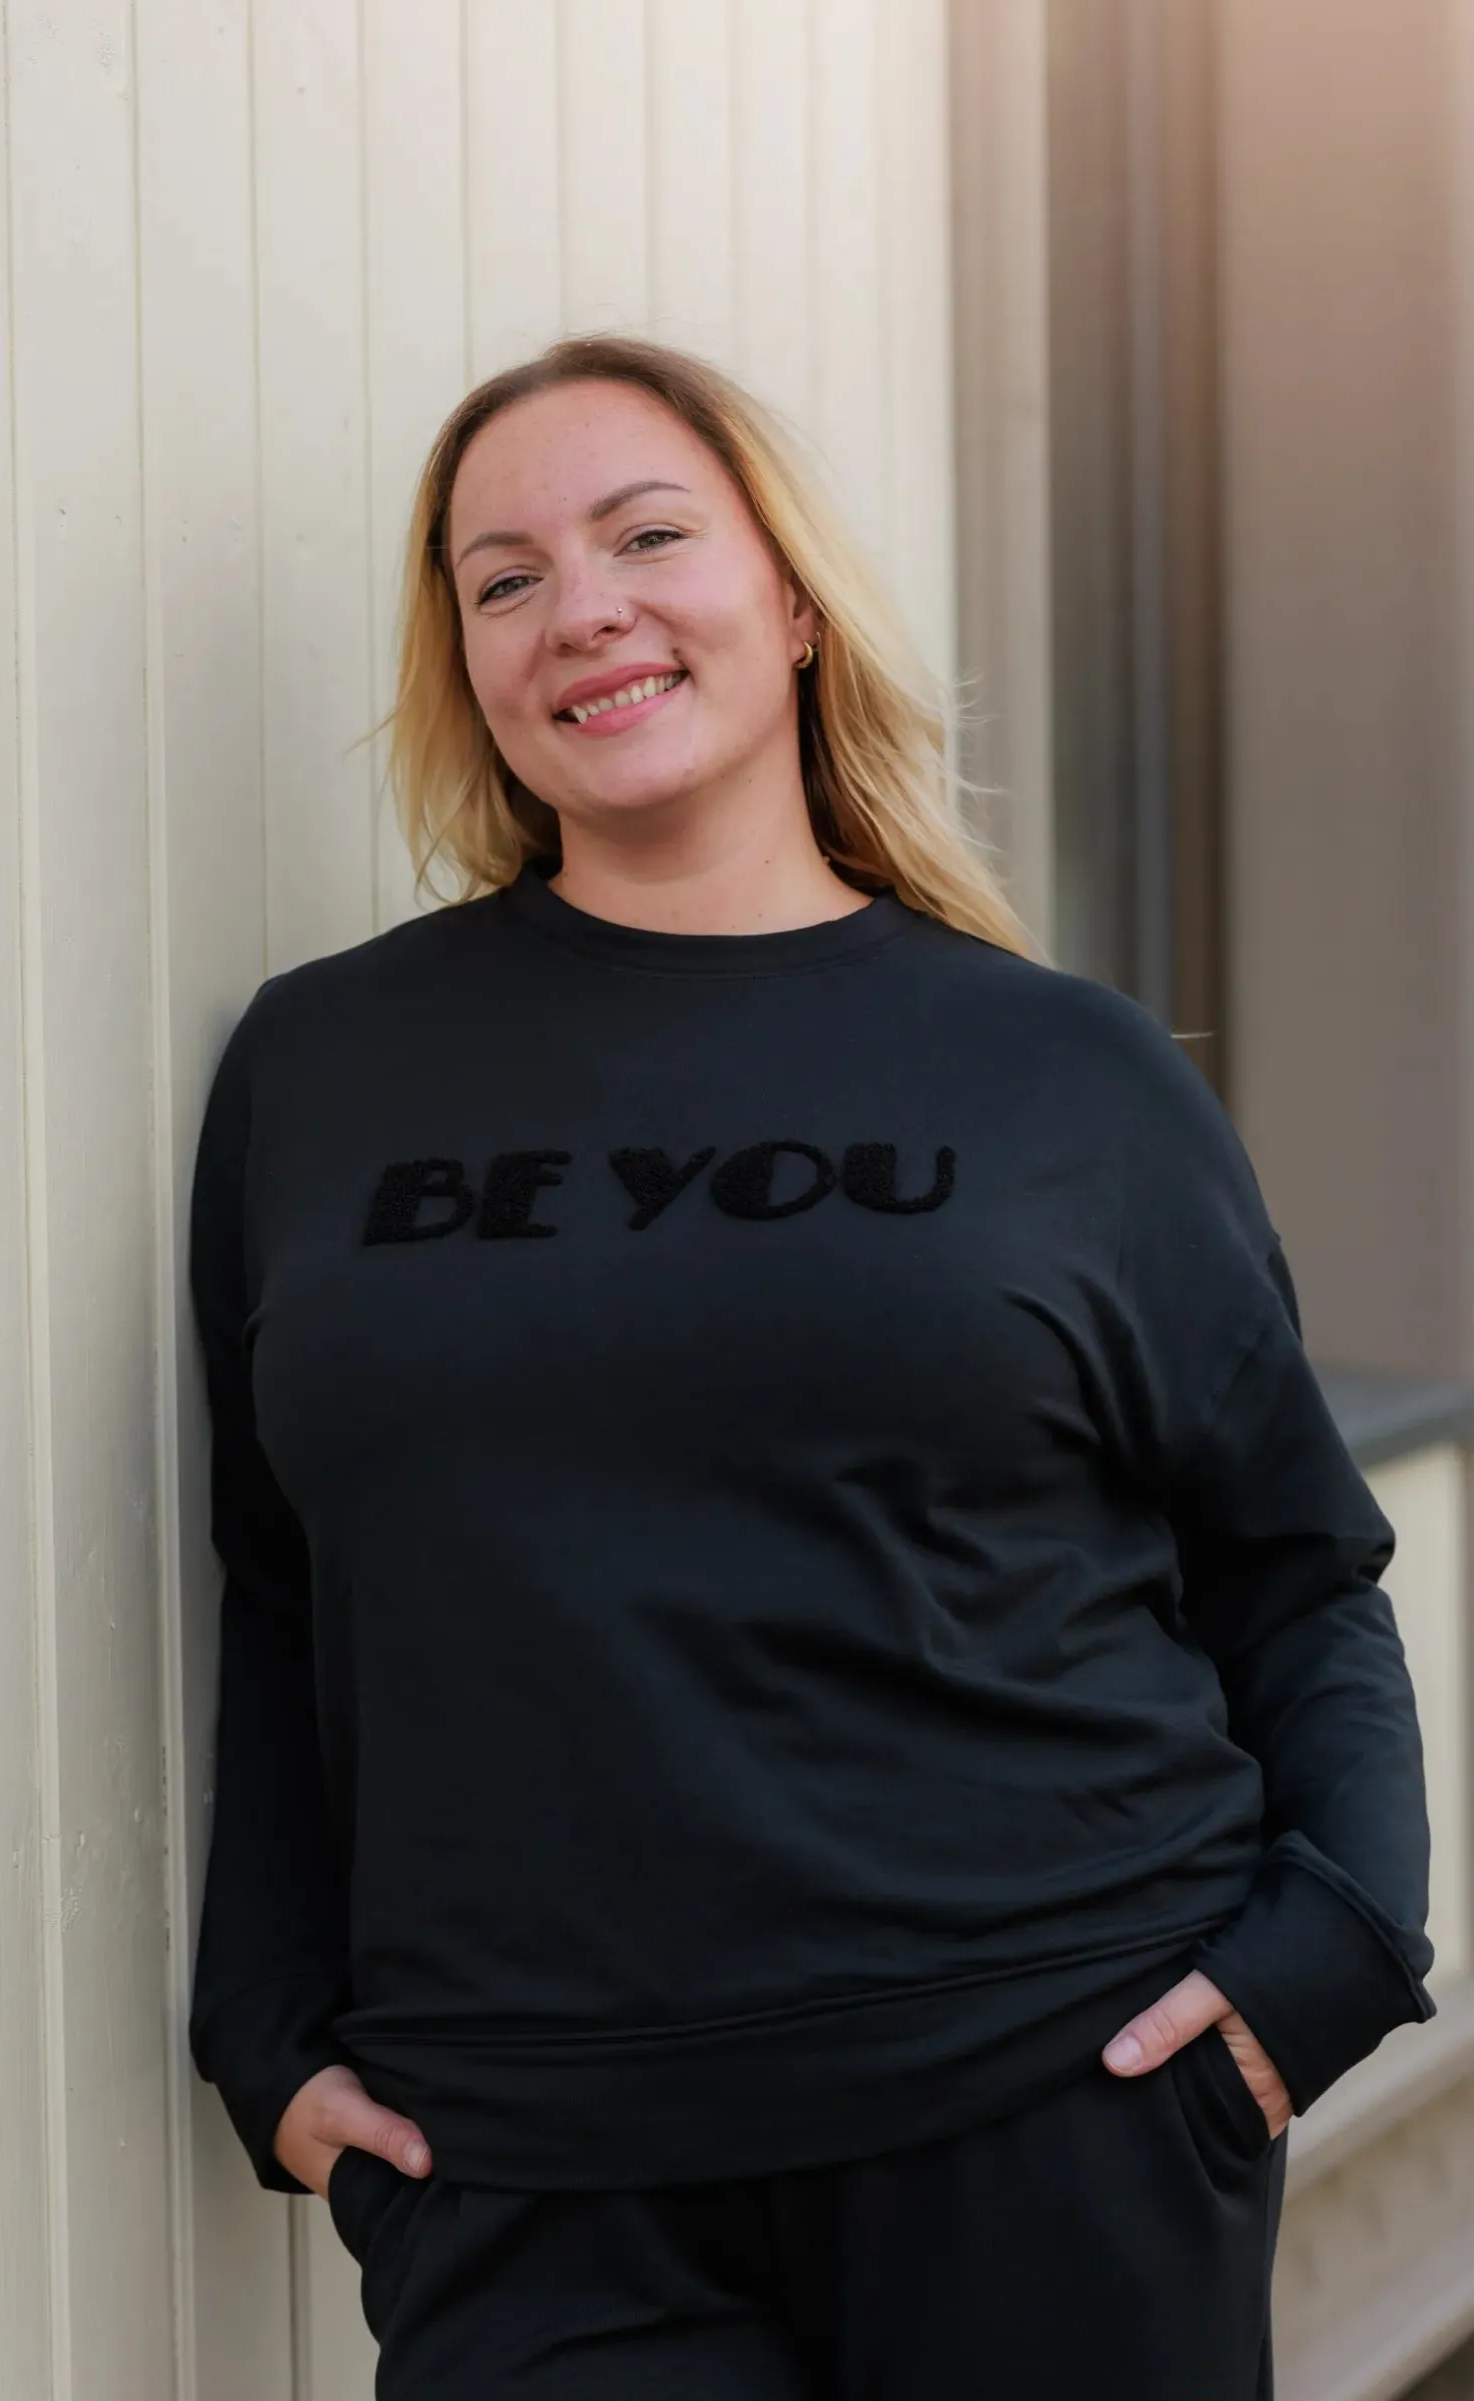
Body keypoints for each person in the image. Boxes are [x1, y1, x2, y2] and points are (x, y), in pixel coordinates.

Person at [187, 335, 1434, 2400]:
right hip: (531, 2157)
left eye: (646, 537)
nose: (581, 609)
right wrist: (266, 2035)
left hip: (1055, 2098)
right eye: (505, 579)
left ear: (788, 603)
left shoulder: (1062, 1073)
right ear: (468, 668)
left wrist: (1330, 1953)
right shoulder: (326, 1069)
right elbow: (276, 1587)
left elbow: (1291, 1564)